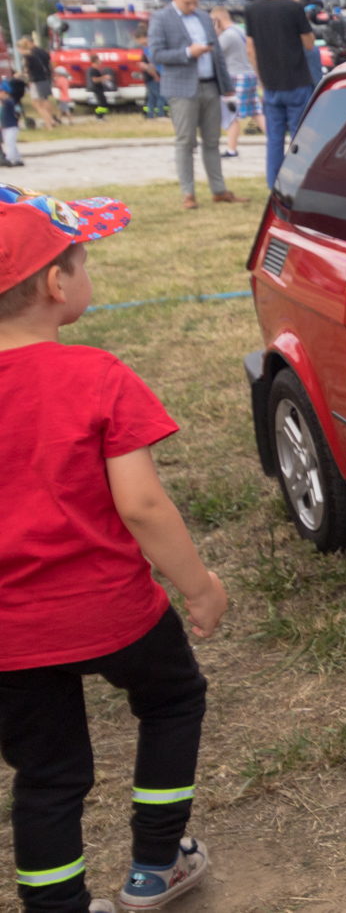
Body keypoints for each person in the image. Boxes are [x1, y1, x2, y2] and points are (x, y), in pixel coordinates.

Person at [0, 185, 227, 913]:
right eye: (83, 260)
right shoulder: (97, 377)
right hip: (115, 611)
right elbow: (142, 504)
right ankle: (154, 863)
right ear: (56, 283)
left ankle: (57, 907)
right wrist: (198, 586)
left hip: (11, 633)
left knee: (47, 773)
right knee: (172, 700)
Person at [148, 0, 248, 211]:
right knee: (185, 142)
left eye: (195, 2)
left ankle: (219, 190)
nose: (192, 6)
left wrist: (227, 87)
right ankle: (188, 194)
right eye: (187, 2)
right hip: (181, 89)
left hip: (210, 86)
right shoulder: (160, 18)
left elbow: (218, 56)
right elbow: (156, 54)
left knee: (212, 141)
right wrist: (187, 53)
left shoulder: (204, 17)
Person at [243, 0, 315, 190]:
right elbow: (309, 44)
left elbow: (250, 49)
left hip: (270, 84)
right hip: (297, 82)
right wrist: (296, 3)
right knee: (298, 137)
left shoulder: (251, 9)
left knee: (274, 139)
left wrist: (261, 78)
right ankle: (298, 185)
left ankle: (273, 186)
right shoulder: (293, 8)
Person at [209, 8, 261, 159]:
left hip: (235, 76)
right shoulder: (240, 29)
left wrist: (215, 33)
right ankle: (273, 141)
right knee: (256, 112)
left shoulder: (227, 35)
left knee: (230, 114)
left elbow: (214, 54)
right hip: (249, 74)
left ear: (218, 20)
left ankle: (231, 149)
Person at [16, 38, 55, 130]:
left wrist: (18, 75)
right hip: (44, 79)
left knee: (38, 104)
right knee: (43, 101)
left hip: (36, 81)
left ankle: (48, 124)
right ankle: (51, 120)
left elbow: (25, 70)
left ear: (21, 48)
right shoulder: (35, 55)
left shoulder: (26, 57)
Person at [134, 28, 165, 120]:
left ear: (143, 37)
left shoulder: (148, 49)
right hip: (153, 77)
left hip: (150, 77)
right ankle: (161, 114)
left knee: (151, 97)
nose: (137, 42)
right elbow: (151, 66)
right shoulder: (148, 49)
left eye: (138, 39)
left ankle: (150, 116)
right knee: (160, 96)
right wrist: (156, 76)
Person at [0, 86, 20, 167]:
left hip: (10, 126)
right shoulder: (7, 101)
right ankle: (18, 159)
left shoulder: (7, 101)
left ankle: (9, 159)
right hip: (6, 126)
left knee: (9, 143)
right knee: (11, 143)